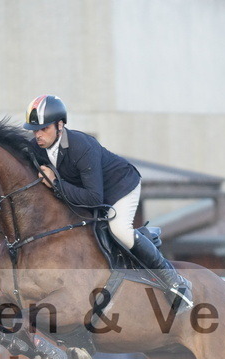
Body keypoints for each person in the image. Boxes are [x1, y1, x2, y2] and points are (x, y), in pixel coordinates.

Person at [23, 94, 192, 311]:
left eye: (43, 129)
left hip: (120, 188)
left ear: (60, 125)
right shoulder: (36, 148)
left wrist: (55, 183)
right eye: (35, 130)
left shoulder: (82, 146)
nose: (38, 135)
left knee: (119, 230)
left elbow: (95, 199)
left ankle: (173, 280)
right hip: (86, 191)